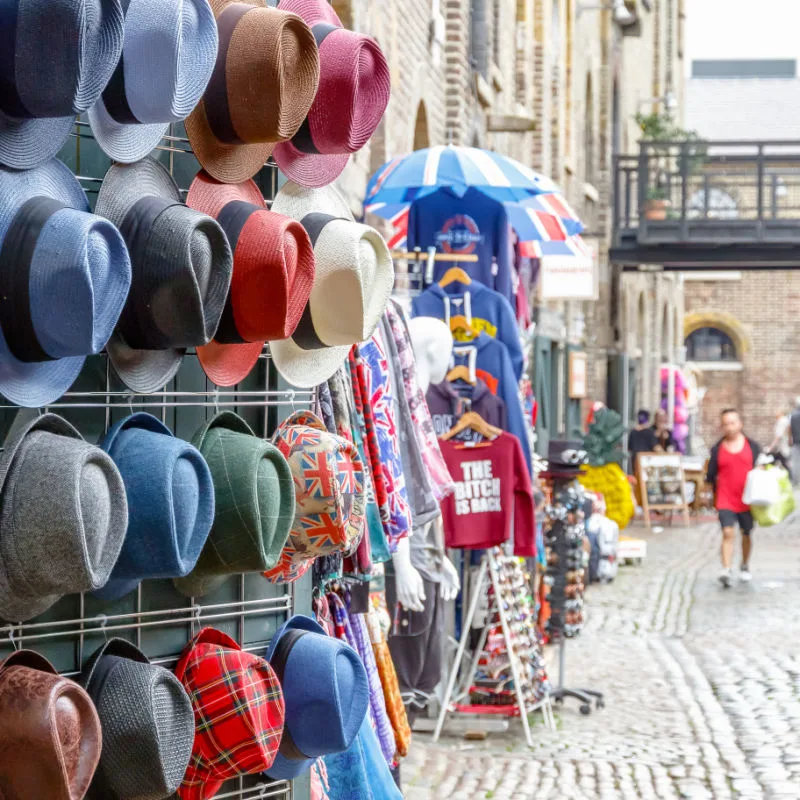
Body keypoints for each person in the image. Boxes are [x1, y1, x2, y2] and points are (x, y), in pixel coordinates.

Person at [706, 408, 761, 588]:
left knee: (746, 533)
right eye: (725, 424)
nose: (729, 427)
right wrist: (709, 497)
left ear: (740, 424)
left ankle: (744, 565)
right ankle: (726, 569)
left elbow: (761, 469)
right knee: (727, 532)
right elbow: (711, 474)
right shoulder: (717, 449)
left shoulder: (752, 447)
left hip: (747, 499)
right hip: (725, 497)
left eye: (732, 423)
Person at [627, 409, 658, 476]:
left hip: (635, 459)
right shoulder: (650, 431)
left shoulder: (633, 431)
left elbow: (629, 448)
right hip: (647, 460)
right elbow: (656, 447)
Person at [768, 407, 791, 477]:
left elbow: (778, 436)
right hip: (784, 446)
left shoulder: (782, 421)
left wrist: (770, 447)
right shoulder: (785, 420)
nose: (774, 414)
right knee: (784, 463)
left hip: (783, 447)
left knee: (784, 464)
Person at [789, 397, 800, 485]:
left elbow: (790, 428)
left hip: (796, 441)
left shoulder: (792, 415)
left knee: (796, 462)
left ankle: (795, 481)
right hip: (796, 441)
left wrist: (790, 439)